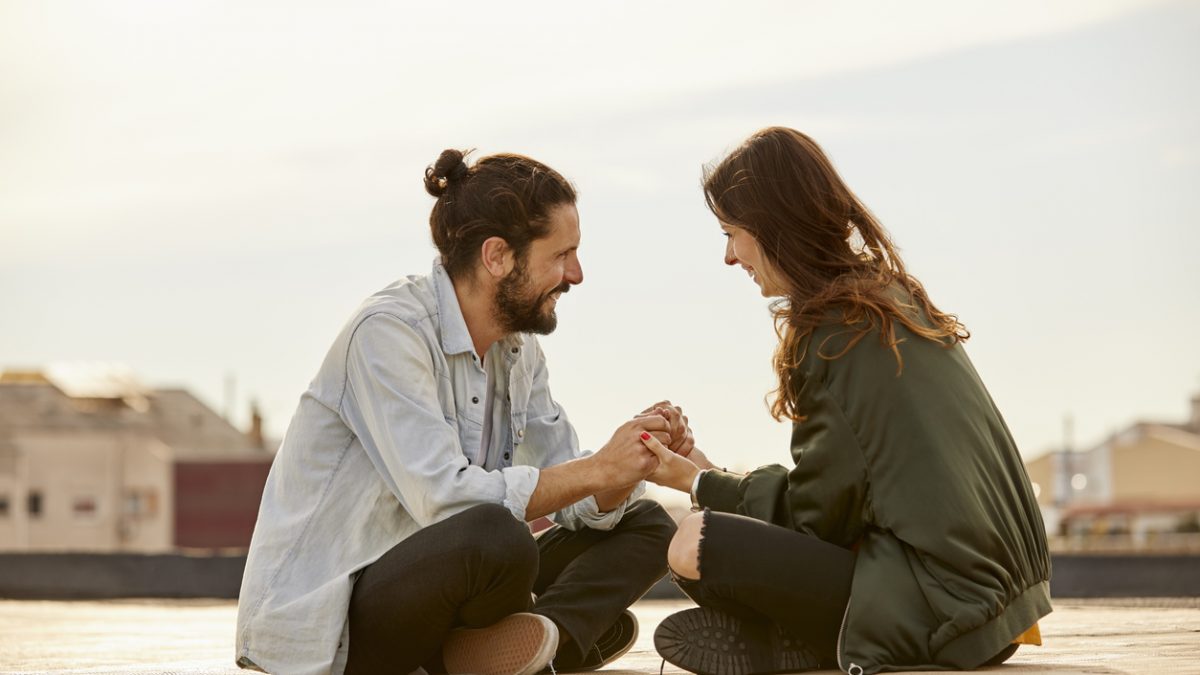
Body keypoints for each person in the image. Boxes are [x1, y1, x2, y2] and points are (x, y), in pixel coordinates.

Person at [235, 149, 683, 675]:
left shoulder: (519, 351)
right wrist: (597, 468)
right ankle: (551, 638)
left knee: (647, 522)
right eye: (562, 255)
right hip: (338, 629)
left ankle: (545, 641)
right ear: (498, 256)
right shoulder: (388, 333)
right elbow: (445, 501)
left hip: (452, 593)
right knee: (495, 535)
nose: (576, 274)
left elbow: (573, 490)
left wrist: (627, 464)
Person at [639, 127, 1051, 675]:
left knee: (692, 543)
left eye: (731, 232)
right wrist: (708, 472)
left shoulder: (835, 332)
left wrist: (696, 485)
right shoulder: (891, 302)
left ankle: (812, 640)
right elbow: (847, 499)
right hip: (999, 611)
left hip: (946, 615)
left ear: (771, 225)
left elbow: (819, 520)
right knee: (709, 526)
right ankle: (806, 642)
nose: (729, 256)